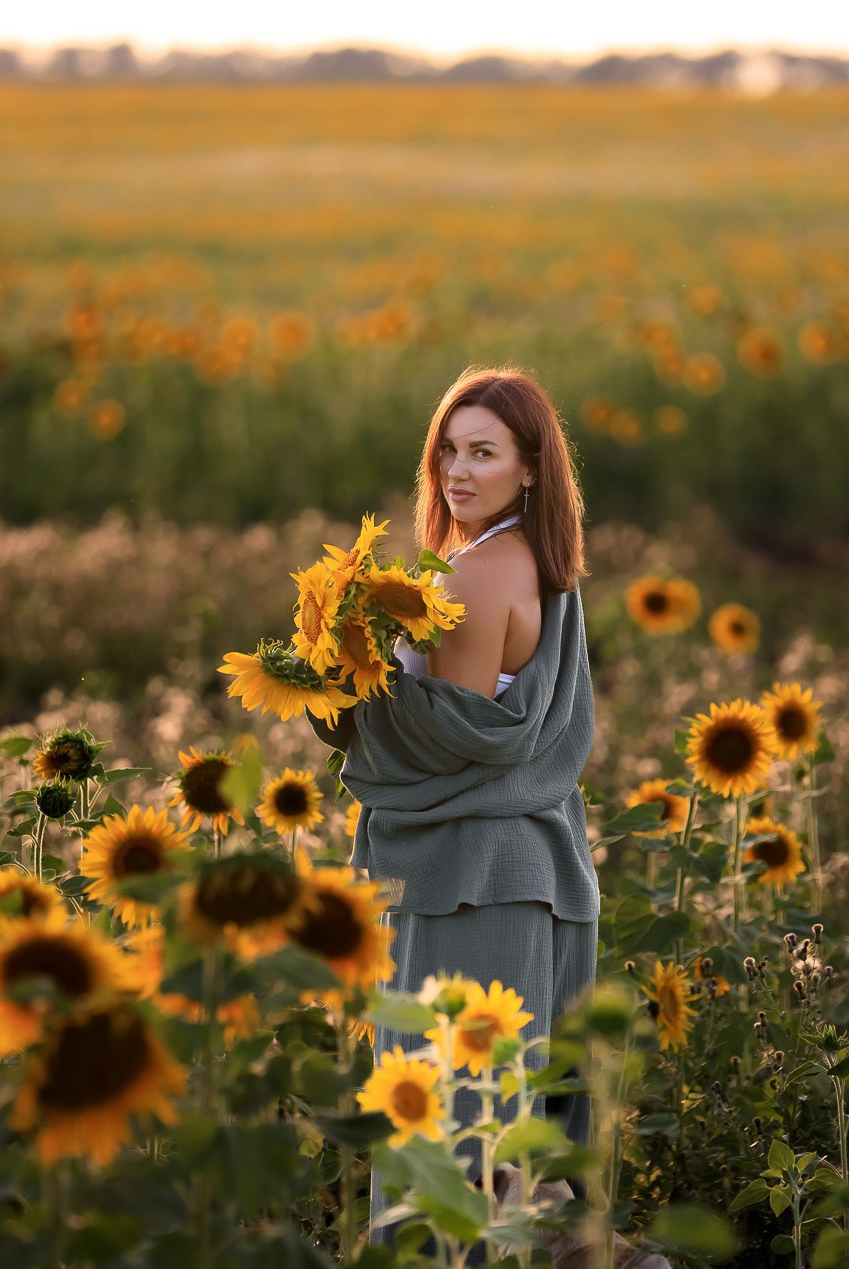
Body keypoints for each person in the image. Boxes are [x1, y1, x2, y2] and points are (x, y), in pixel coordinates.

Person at [307, 363, 601, 1254]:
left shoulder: (475, 575)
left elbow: (452, 746)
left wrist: (345, 692)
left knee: (454, 1137)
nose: (458, 473)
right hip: (533, 872)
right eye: (448, 451)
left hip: (469, 880)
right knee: (514, 1144)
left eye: (484, 452)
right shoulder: (544, 566)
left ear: (532, 469)